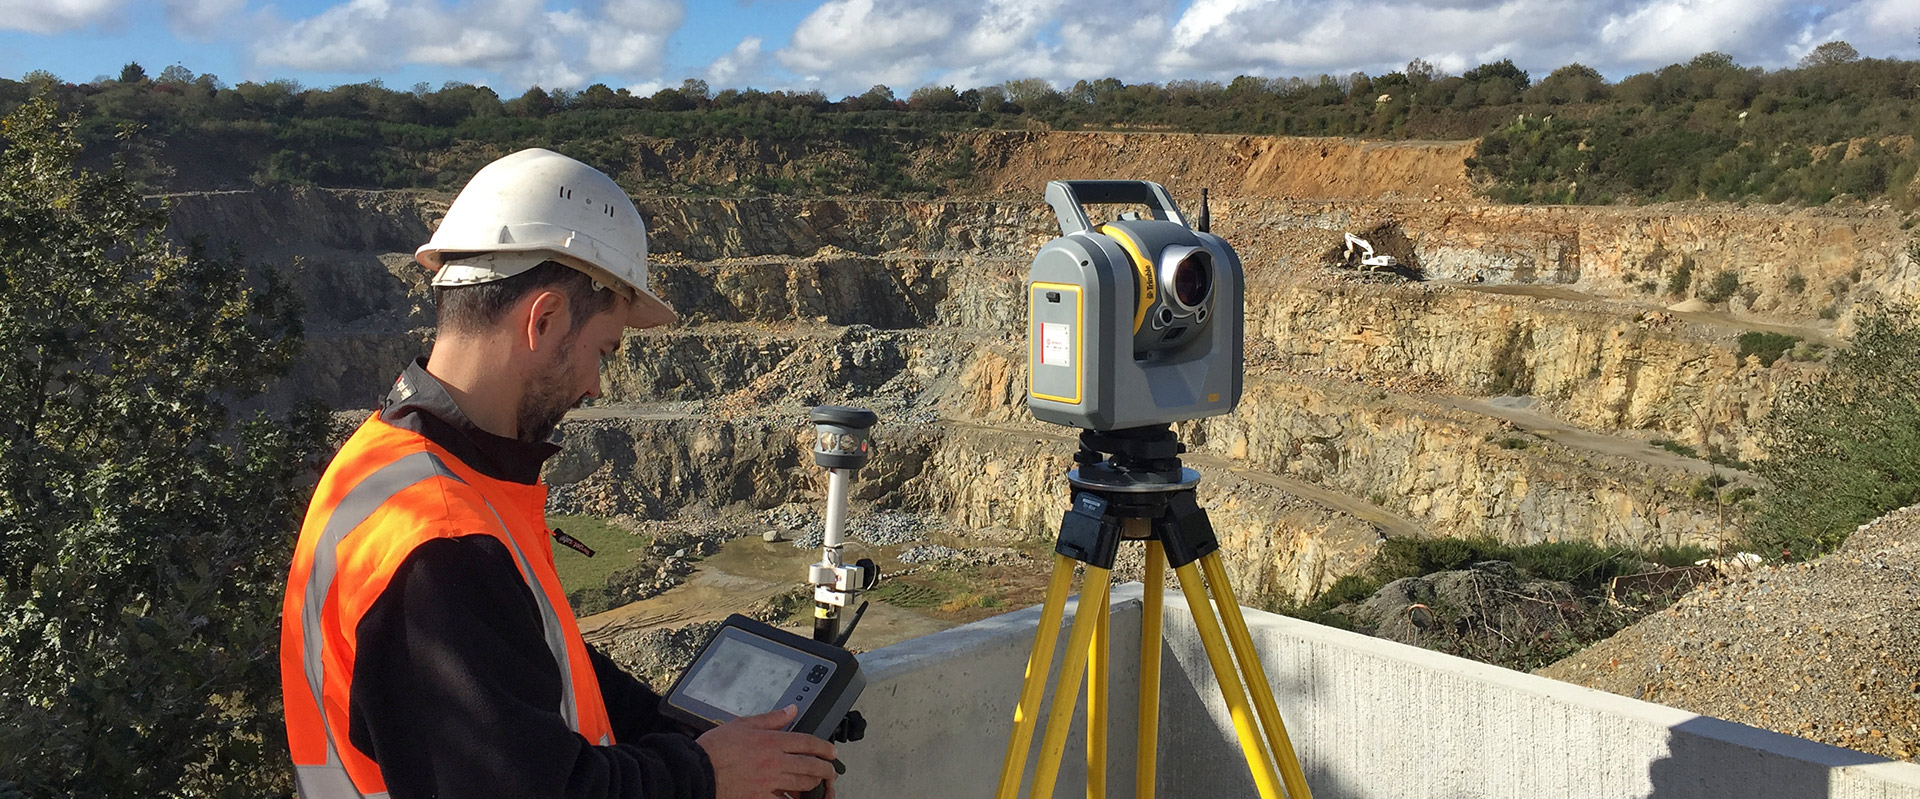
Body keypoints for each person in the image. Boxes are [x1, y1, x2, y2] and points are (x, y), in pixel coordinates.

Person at [279, 148, 838, 799]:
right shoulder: (442, 543)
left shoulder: (389, 460)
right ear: (543, 320)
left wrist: (707, 747)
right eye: (603, 350)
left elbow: (540, 679)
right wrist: (708, 774)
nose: (597, 385)